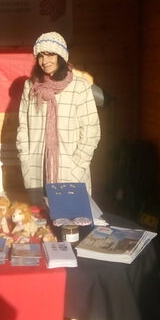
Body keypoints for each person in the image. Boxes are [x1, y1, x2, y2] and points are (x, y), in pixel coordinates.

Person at [16, 32, 100, 203]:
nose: (44, 61)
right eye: (40, 55)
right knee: (41, 225)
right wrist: (26, 160)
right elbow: (22, 127)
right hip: (38, 169)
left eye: (50, 54)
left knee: (71, 224)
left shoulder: (80, 87)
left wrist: (76, 167)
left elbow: (92, 132)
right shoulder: (30, 86)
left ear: (61, 56)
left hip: (70, 172)